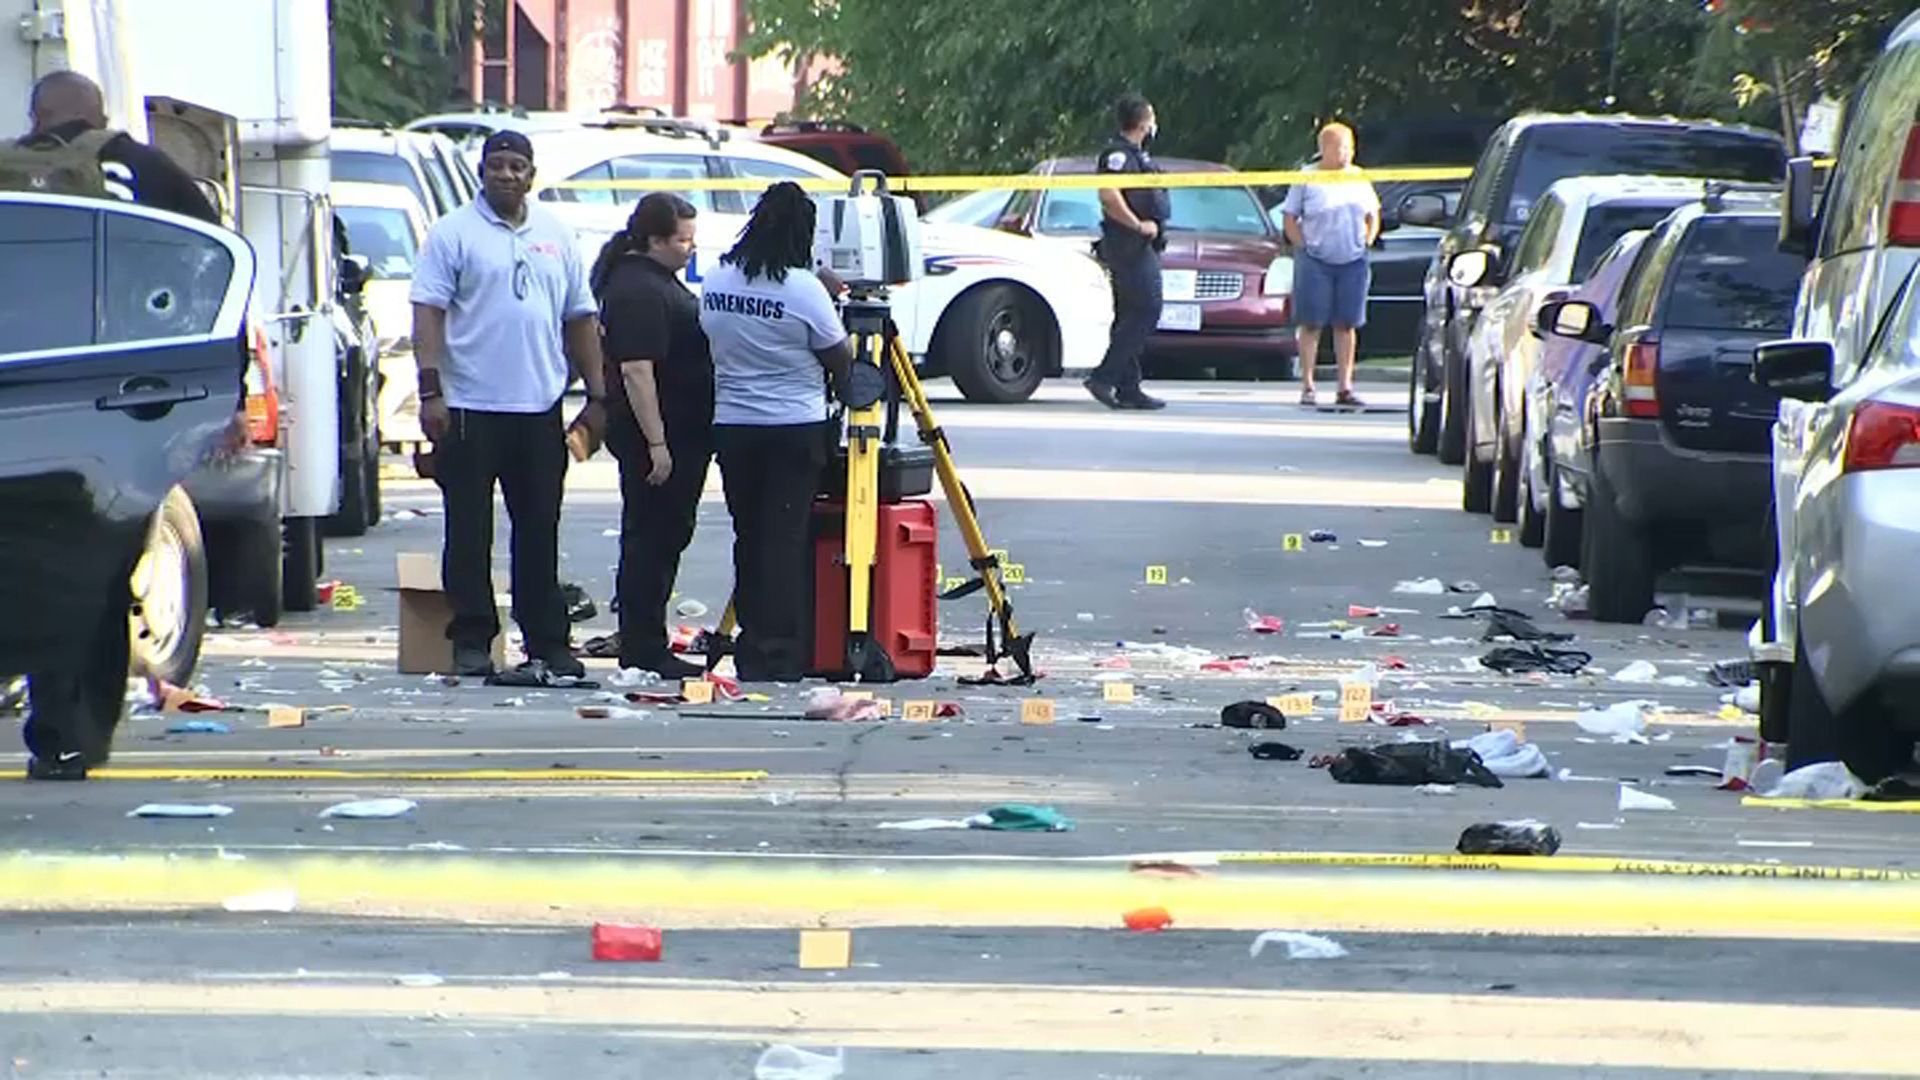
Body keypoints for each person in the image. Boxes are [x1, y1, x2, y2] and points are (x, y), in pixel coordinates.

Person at [9, 72, 220, 780]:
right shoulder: (150, 172)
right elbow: (208, 279)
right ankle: (73, 735)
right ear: (103, 117)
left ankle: (46, 713)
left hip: (14, 408)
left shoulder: (9, 177)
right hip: (108, 416)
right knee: (95, 577)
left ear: (37, 117)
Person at [410, 130, 608, 680]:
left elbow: (580, 316)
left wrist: (597, 394)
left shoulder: (555, 234)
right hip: (470, 405)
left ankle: (547, 641)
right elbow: (428, 311)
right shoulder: (454, 233)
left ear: (531, 175)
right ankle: (472, 637)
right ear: (481, 172)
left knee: (539, 530)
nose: (505, 174)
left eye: (515, 166)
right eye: (495, 165)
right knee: (469, 532)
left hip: (539, 406)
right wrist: (430, 390)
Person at [698, 182, 854, 683]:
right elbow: (839, 358)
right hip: (794, 428)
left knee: (750, 538)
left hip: (735, 427)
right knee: (784, 542)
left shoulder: (720, 278)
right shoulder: (801, 288)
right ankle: (779, 652)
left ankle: (751, 647)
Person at [592, 193, 713, 679]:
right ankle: (643, 644)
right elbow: (637, 371)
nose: (690, 249)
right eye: (682, 240)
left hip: (679, 430)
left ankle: (645, 636)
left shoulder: (656, 281)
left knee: (662, 536)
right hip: (660, 435)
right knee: (652, 538)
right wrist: (658, 444)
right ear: (655, 239)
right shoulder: (639, 290)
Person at [8, 70, 218, 223]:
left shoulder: (6, 163)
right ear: (100, 118)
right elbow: (208, 240)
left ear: (36, 117)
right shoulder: (147, 163)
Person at [1280, 122, 1380, 408]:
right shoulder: (1307, 177)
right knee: (1311, 323)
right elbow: (1289, 217)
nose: (1345, 153)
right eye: (1339, 147)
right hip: (1315, 260)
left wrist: (1367, 241)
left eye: (1349, 147)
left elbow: (1373, 214)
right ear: (1323, 149)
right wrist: (1303, 245)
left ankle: (1345, 387)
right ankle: (1308, 386)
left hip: (1352, 259)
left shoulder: (1358, 177)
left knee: (1346, 324)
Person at [1084, 93, 1170, 412]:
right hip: (1128, 244)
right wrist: (1137, 226)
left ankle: (1129, 387)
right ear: (1144, 121)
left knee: (1129, 314)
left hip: (1140, 244)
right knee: (1147, 309)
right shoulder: (1117, 155)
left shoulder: (1138, 155)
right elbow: (1109, 196)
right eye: (1152, 118)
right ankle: (1103, 378)